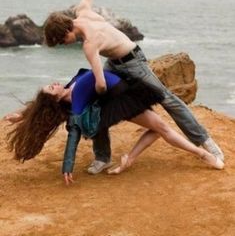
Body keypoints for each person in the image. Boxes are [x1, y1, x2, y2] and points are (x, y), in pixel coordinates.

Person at [43, 0, 224, 174]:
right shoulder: (82, 10)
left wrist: (96, 97)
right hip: (114, 63)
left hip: (133, 62)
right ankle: (102, 157)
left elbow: (99, 84)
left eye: (62, 40)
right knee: (97, 103)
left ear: (67, 31)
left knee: (167, 99)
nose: (64, 43)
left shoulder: (89, 44)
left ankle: (205, 142)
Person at [5, 68, 224, 186]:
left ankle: (129, 159)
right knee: (162, 128)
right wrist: (67, 166)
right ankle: (202, 154)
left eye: (50, 84)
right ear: (53, 100)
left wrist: (22, 116)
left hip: (126, 91)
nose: (53, 84)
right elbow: (73, 136)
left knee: (159, 129)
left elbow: (38, 105)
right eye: (51, 89)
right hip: (121, 104)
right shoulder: (74, 105)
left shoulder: (71, 84)